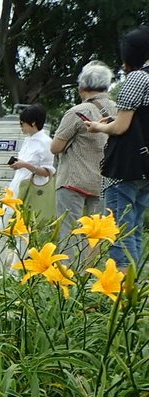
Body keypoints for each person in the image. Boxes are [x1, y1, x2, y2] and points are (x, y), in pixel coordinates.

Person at [89, 26, 149, 268]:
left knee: (117, 229)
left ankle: (123, 291)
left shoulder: (138, 78)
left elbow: (121, 127)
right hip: (145, 167)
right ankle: (134, 291)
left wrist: (99, 127)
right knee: (133, 228)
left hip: (125, 166)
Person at [51, 62, 117, 262]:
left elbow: (55, 147)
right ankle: (90, 278)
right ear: (106, 86)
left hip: (74, 181)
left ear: (81, 87)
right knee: (95, 235)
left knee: (70, 232)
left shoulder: (78, 112)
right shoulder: (119, 111)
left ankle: (68, 279)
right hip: (104, 183)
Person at [8, 104, 56, 224]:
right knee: (6, 222)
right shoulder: (27, 140)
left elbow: (47, 172)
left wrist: (25, 165)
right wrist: (18, 164)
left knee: (23, 226)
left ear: (33, 123)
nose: (21, 127)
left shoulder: (46, 142)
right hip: (17, 185)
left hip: (31, 189)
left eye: (22, 123)